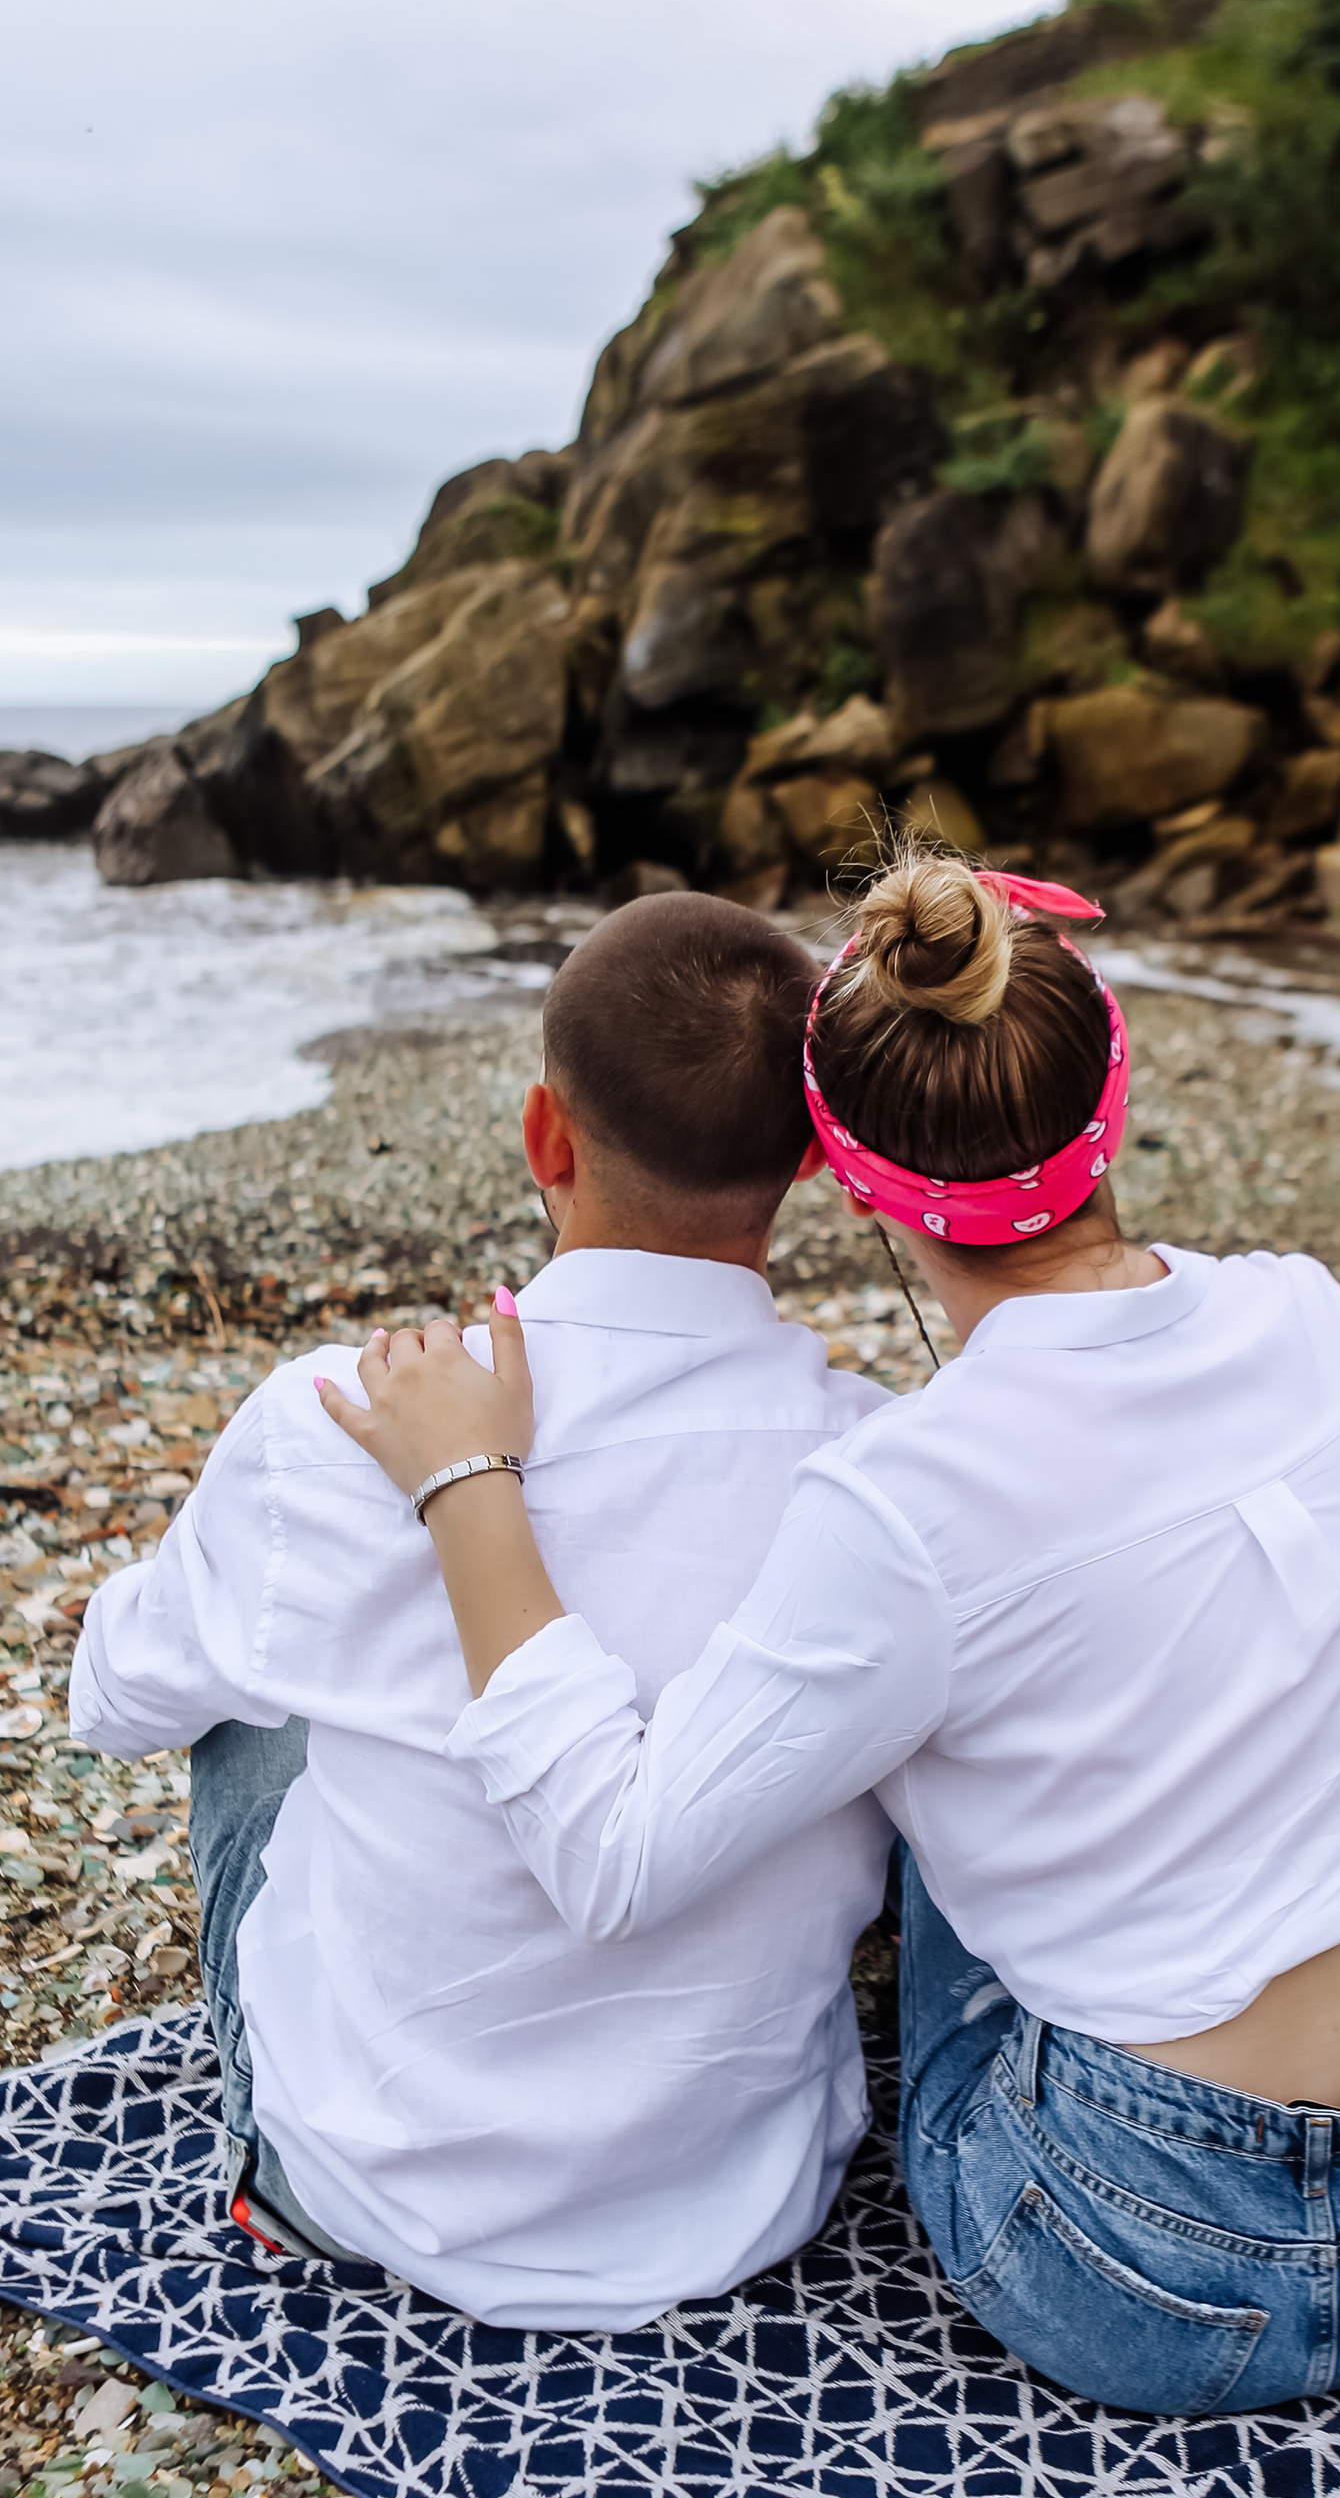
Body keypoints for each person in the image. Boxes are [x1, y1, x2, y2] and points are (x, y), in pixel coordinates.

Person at [322, 847, 1340, 2417]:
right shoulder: (1313, 1310)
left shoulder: (900, 1503)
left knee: (900, 1743)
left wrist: (467, 1479)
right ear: (1111, 1104)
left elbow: (613, 1858)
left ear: (850, 1184)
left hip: (1149, 2270)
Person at [66, 890, 892, 2330]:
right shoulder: (883, 1470)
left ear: (544, 1136)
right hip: (753, 2194)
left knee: (243, 1703)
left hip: (381, 2194)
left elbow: (111, 1700)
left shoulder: (334, 1419)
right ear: (813, 1162)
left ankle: (323, 2119)